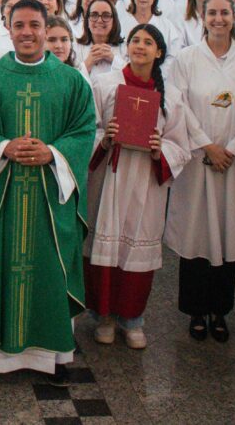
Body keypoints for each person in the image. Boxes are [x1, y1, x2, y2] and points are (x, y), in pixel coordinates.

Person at [0, 0, 97, 384]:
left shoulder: (70, 81)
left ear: (45, 28)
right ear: (8, 28)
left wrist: (52, 152)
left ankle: (54, 356)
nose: (27, 32)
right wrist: (4, 148)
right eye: (19, 25)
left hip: (50, 198)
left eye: (34, 25)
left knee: (50, 270)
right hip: (2, 197)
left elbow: (85, 131)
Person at [86, 24, 190, 350]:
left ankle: (132, 319)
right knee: (104, 248)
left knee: (136, 250)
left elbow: (181, 144)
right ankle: (103, 317)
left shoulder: (170, 96)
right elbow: (85, 127)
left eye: (148, 42)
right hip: (109, 179)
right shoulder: (104, 84)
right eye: (135, 41)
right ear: (126, 47)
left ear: (159, 52)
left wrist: (162, 150)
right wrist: (104, 138)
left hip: (146, 181)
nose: (140, 46)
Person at [165, 0, 235, 343]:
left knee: (228, 233)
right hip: (198, 160)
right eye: (212, 13)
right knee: (197, 235)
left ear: (234, 17)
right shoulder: (187, 58)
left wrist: (232, 148)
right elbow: (178, 105)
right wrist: (207, 145)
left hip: (233, 164)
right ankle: (195, 310)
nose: (219, 19)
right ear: (202, 18)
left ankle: (221, 309)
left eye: (225, 12)